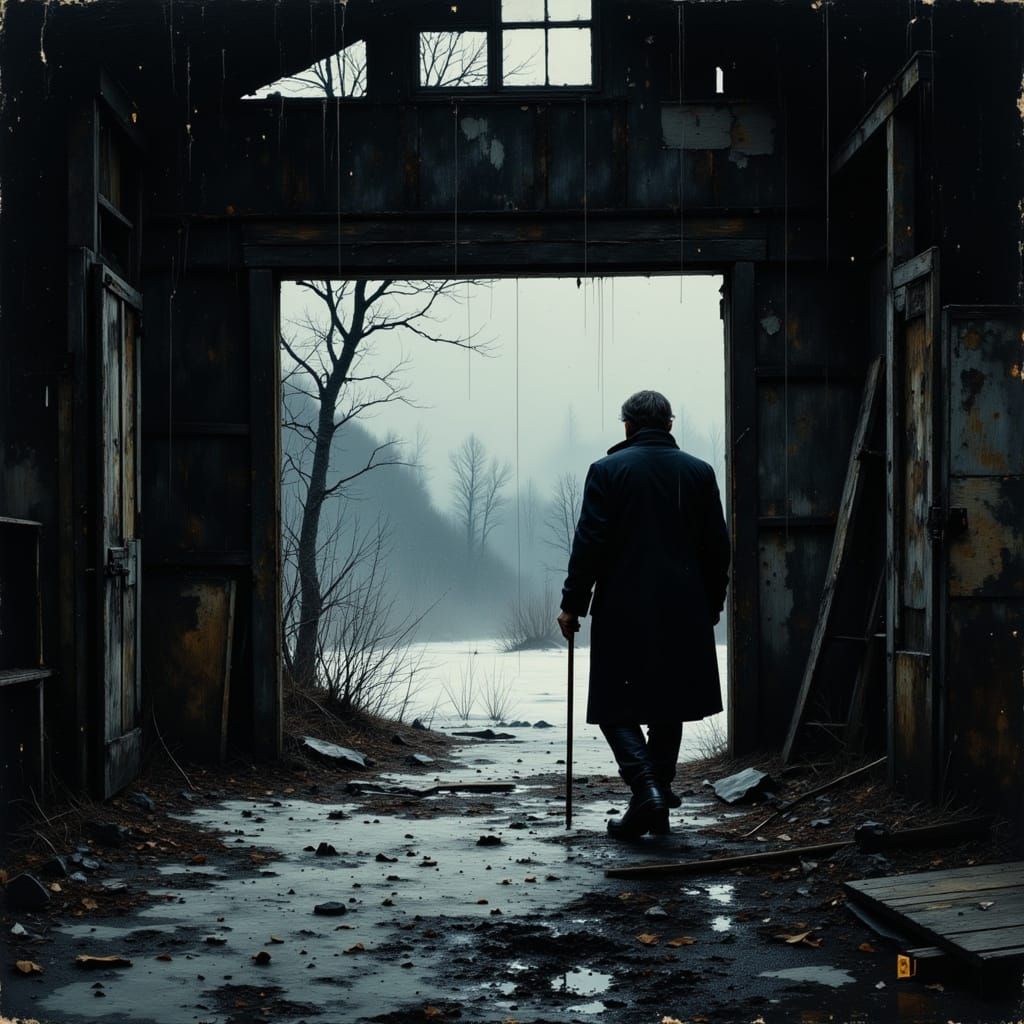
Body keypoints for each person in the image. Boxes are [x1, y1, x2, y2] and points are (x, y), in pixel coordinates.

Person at [557, 390, 730, 839]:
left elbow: (589, 543)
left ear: (628, 426)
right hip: (684, 608)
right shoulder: (699, 473)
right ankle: (652, 802)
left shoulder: (607, 472)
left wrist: (573, 604)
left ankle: (648, 790)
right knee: (667, 706)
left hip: (623, 608)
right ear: (669, 425)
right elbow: (718, 549)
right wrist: (711, 604)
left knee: (616, 705)